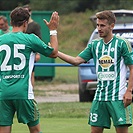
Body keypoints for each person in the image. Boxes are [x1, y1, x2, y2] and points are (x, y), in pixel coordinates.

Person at [58, 10, 133, 133]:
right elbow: (76, 60)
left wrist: (129, 91)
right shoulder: (94, 45)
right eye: (97, 25)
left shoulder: (122, 44)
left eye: (102, 25)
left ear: (112, 26)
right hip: (99, 97)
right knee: (95, 131)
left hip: (118, 97)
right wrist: (57, 53)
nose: (99, 28)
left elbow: (132, 67)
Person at [0, 7, 59, 133]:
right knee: (35, 130)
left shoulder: (1, 40)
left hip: (3, 92)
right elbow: (54, 53)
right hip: (23, 92)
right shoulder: (30, 39)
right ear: (26, 23)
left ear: (11, 22)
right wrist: (53, 30)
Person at [23, 5, 41, 86]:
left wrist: (37, 53)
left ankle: (31, 91)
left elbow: (38, 39)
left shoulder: (35, 25)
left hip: (31, 51)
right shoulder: (21, 24)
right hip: (21, 50)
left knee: (31, 72)